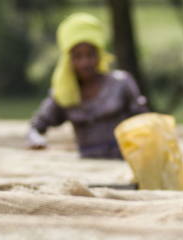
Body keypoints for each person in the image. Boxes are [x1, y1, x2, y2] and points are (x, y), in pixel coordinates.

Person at [27, 12, 149, 158]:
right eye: (77, 56)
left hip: (122, 159)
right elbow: (36, 127)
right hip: (87, 163)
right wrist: (37, 140)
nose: (84, 63)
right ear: (69, 60)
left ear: (99, 55)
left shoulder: (121, 83)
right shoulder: (64, 92)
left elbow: (146, 123)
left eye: (90, 55)